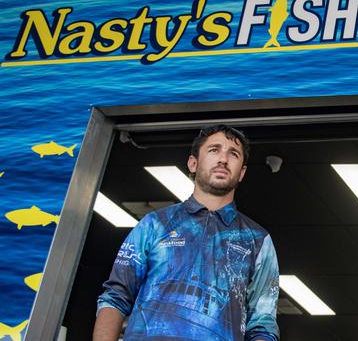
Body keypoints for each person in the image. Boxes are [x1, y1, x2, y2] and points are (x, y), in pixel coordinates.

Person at [94, 125, 279, 341]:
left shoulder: (257, 240)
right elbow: (116, 296)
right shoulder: (155, 224)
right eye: (214, 150)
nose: (223, 159)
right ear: (193, 163)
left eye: (233, 154)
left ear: (242, 173)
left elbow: (262, 325)